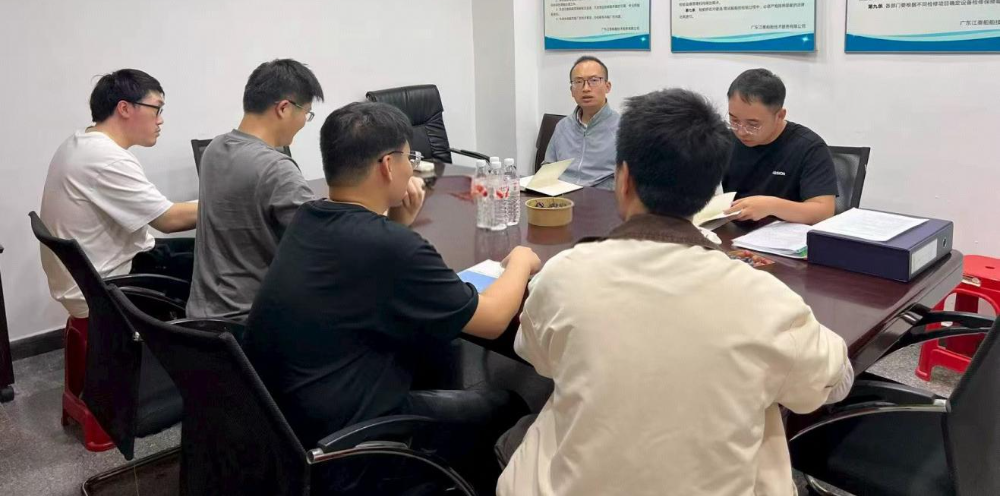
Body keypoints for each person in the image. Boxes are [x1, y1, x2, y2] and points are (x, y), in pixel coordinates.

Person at [496, 88, 853, 496]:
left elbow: (537, 357)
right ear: (709, 189)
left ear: (623, 178)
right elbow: (833, 382)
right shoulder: (765, 300)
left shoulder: (563, 276)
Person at [243, 101, 538, 486]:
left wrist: (398, 224)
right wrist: (520, 260)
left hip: (289, 425)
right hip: (352, 444)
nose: (412, 168)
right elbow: (494, 318)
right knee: (508, 405)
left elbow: (369, 273)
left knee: (439, 346)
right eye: (409, 158)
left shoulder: (309, 218)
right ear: (387, 165)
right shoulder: (389, 247)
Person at [39, 69, 198, 317]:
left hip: (99, 272)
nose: (160, 120)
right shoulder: (105, 158)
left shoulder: (81, 142)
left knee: (205, 249)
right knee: (218, 263)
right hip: (110, 284)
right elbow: (169, 220)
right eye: (157, 109)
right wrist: (230, 204)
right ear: (124, 108)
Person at [186, 59, 325, 318]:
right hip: (251, 321)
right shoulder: (276, 168)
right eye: (306, 113)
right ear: (284, 108)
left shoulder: (214, 149)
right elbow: (322, 250)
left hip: (203, 316)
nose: (304, 122)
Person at [723, 68, 838, 224]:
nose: (741, 132)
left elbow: (824, 212)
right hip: (733, 232)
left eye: (753, 124)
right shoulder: (724, 140)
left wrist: (771, 206)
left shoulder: (809, 147)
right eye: (734, 120)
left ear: (780, 115)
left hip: (786, 235)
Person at [543, 55, 619, 189]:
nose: (586, 88)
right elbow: (548, 167)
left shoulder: (623, 128)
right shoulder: (562, 126)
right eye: (578, 82)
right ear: (572, 91)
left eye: (594, 80)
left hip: (602, 197)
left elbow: (631, 178)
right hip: (562, 196)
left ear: (607, 87)